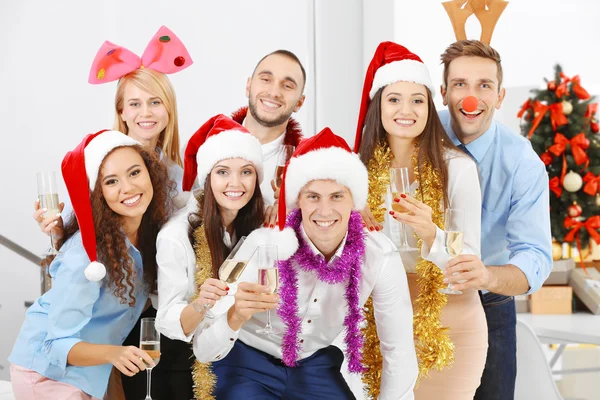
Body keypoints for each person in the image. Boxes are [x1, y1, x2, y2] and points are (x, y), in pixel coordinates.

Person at [192, 127, 418, 400]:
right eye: (313, 196)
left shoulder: (379, 256)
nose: (324, 211)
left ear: (355, 202)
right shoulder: (262, 244)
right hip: (246, 361)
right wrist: (235, 315)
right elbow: (202, 348)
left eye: (337, 196)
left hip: (312, 364)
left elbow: (399, 350)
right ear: (297, 200)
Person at [32, 25, 196, 400]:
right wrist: (57, 230)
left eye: (155, 102)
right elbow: (83, 245)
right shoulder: (98, 163)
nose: (146, 112)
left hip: (160, 306)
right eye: (135, 103)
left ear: (169, 110)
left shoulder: (179, 172)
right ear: (121, 111)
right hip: (114, 313)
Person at [355, 42, 486, 399]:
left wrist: (433, 233)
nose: (406, 110)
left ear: (430, 107)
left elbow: (467, 254)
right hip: (377, 322)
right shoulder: (355, 174)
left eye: (417, 100)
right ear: (377, 107)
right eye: (394, 99)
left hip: (449, 323)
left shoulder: (457, 169)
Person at [9, 130, 172, 399]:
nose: (128, 188)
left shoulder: (153, 235)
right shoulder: (85, 256)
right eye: (111, 181)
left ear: (151, 173)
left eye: (134, 173)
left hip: (94, 370)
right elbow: (55, 345)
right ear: (98, 194)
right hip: (46, 373)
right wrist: (115, 354)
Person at [437, 39, 552, 400]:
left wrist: (486, 275)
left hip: (490, 306)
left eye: (484, 86)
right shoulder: (418, 134)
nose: (472, 98)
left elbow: (534, 256)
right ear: (443, 92)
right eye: (460, 85)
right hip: (419, 300)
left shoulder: (522, 163)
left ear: (500, 97)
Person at [154, 114, 266, 399]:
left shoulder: (255, 221)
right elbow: (167, 320)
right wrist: (202, 303)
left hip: (241, 357)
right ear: (207, 177)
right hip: (186, 367)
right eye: (223, 172)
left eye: (246, 171)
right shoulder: (176, 235)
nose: (235, 183)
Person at [230, 49, 305, 219]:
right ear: (248, 86)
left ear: (299, 102)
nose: (274, 92)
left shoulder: (307, 165)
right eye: (265, 79)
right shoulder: (206, 145)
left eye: (287, 86)